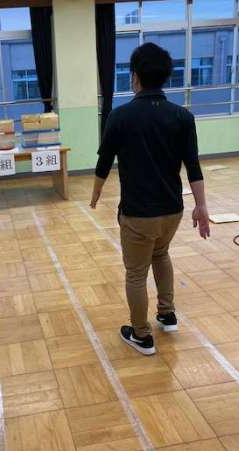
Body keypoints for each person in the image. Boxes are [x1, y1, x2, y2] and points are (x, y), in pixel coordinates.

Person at [90, 42, 210, 356]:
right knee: (161, 254)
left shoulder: (120, 116)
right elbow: (193, 165)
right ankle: (167, 314)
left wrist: (96, 190)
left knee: (135, 273)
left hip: (138, 214)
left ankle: (141, 335)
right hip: (173, 211)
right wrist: (201, 205)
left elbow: (104, 161)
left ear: (135, 76)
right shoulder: (183, 116)